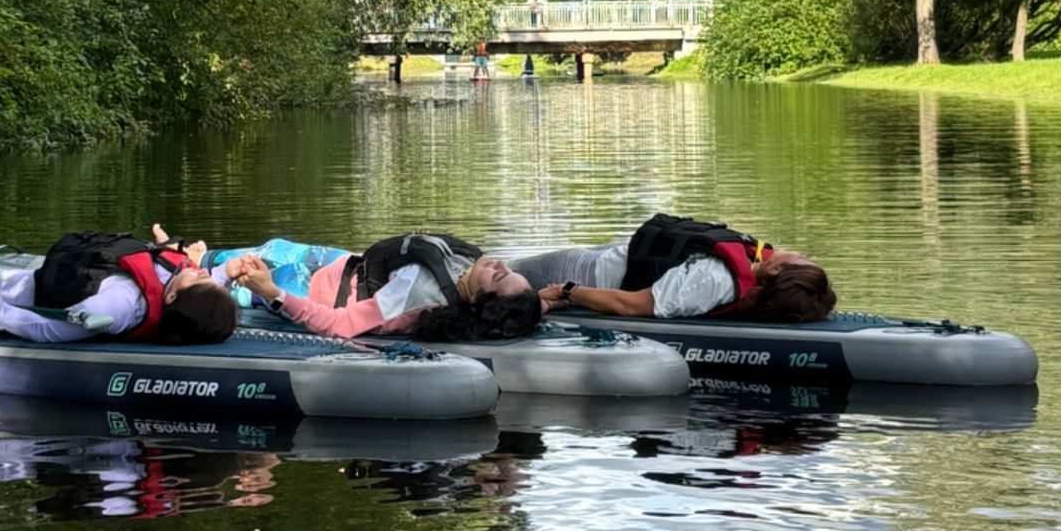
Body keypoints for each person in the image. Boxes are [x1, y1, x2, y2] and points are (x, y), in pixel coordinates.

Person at [0, 223, 238, 345]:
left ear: (171, 295)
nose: (203, 271)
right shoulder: (187, 291)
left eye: (202, 277)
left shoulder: (119, 306)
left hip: (27, 292)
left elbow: (55, 328)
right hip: (59, 278)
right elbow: (206, 291)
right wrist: (230, 272)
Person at [511, 213, 837, 323]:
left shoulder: (714, 281)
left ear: (778, 273)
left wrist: (565, 290)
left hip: (589, 272)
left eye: (803, 260)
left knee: (502, 273)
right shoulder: (752, 266)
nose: (800, 252)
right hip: (617, 254)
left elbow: (631, 305)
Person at [216, 232, 542, 341]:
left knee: (225, 276)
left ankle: (182, 267)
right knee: (270, 245)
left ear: (479, 301)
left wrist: (271, 293)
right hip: (341, 262)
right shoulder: (468, 268)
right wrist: (548, 300)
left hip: (310, 290)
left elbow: (339, 325)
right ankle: (194, 254)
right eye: (506, 269)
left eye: (499, 276)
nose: (499, 264)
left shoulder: (418, 294)